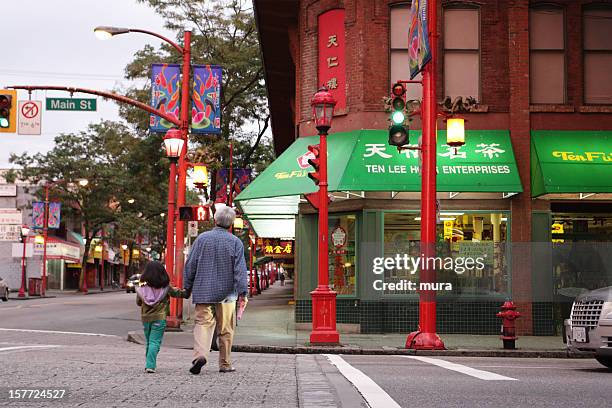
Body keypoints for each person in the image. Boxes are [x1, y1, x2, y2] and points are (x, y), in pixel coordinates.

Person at [184, 205, 248, 374]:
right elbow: (239, 270)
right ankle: (225, 363)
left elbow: (191, 265)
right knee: (226, 328)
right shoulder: (235, 242)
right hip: (228, 293)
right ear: (231, 224)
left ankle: (200, 355)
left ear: (215, 220)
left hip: (203, 290)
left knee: (202, 324)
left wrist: (187, 287)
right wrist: (243, 291)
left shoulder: (202, 239)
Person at [136, 261, 189, 373]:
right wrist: (188, 291)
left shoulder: (142, 288)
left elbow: (138, 302)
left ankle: (149, 363)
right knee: (154, 342)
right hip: (159, 318)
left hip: (146, 319)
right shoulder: (166, 288)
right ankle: (150, 365)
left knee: (150, 342)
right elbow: (179, 293)